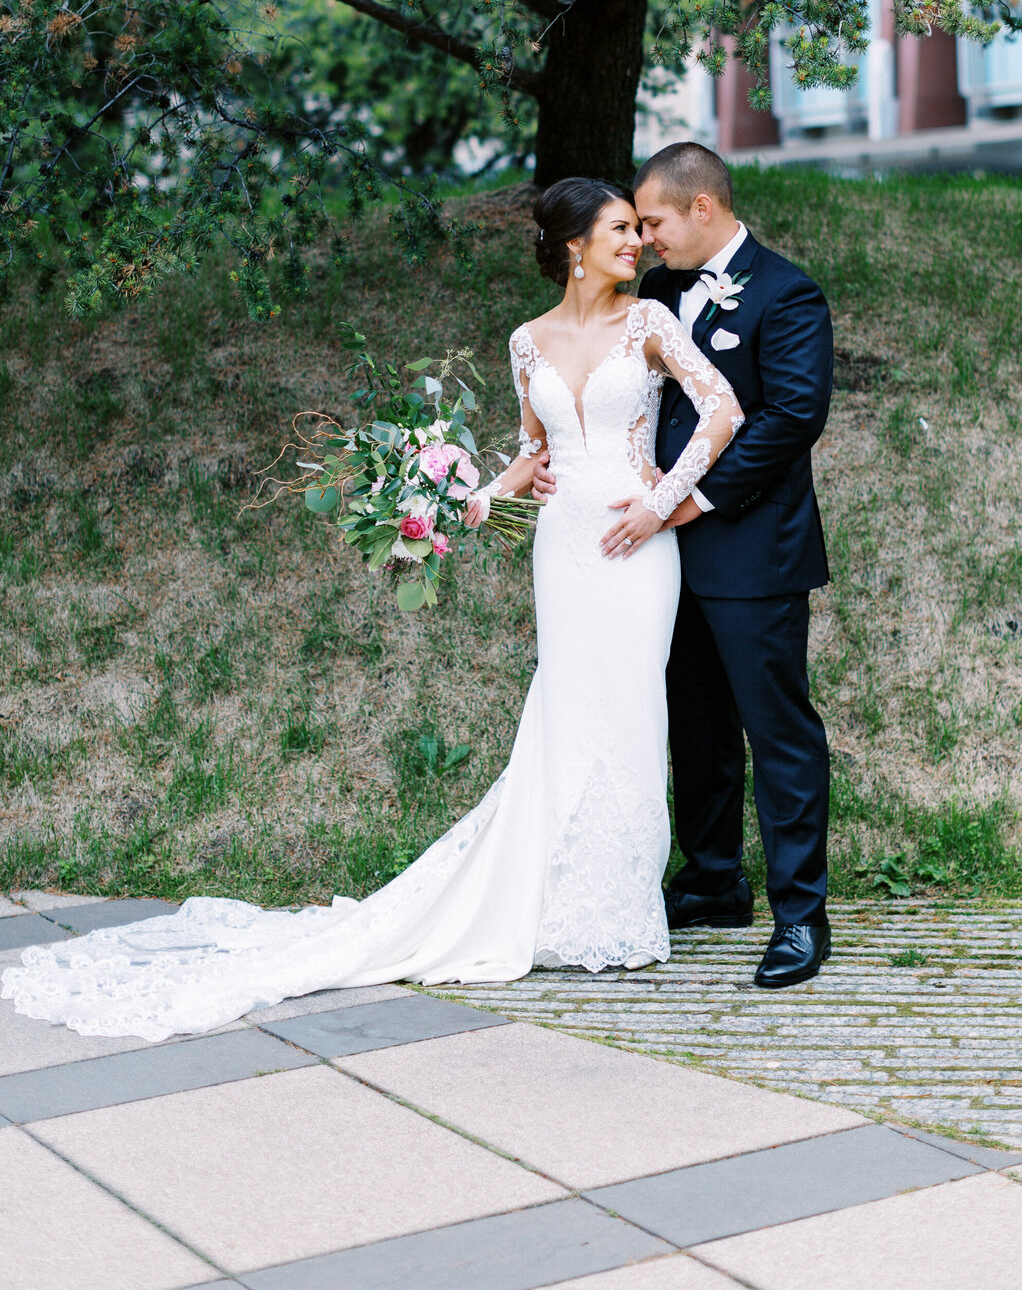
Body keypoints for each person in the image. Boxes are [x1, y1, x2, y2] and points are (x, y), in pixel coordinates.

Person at [1, 178, 741, 1043]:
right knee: (567, 710)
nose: (639, 244)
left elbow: (721, 408)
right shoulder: (527, 342)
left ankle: (618, 909)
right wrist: (477, 494)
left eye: (637, 231)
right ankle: (560, 902)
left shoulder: (650, 323)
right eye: (620, 230)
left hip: (634, 539)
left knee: (629, 708)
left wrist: (665, 502)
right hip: (565, 546)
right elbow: (537, 449)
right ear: (573, 246)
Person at [541, 143, 834, 988]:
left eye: (654, 222)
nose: (645, 240)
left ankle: (801, 918)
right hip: (658, 558)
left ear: (700, 208)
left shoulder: (789, 294)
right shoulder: (659, 294)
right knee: (697, 730)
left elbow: (788, 420)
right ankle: (712, 881)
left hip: (750, 548)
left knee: (777, 731)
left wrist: (690, 501)